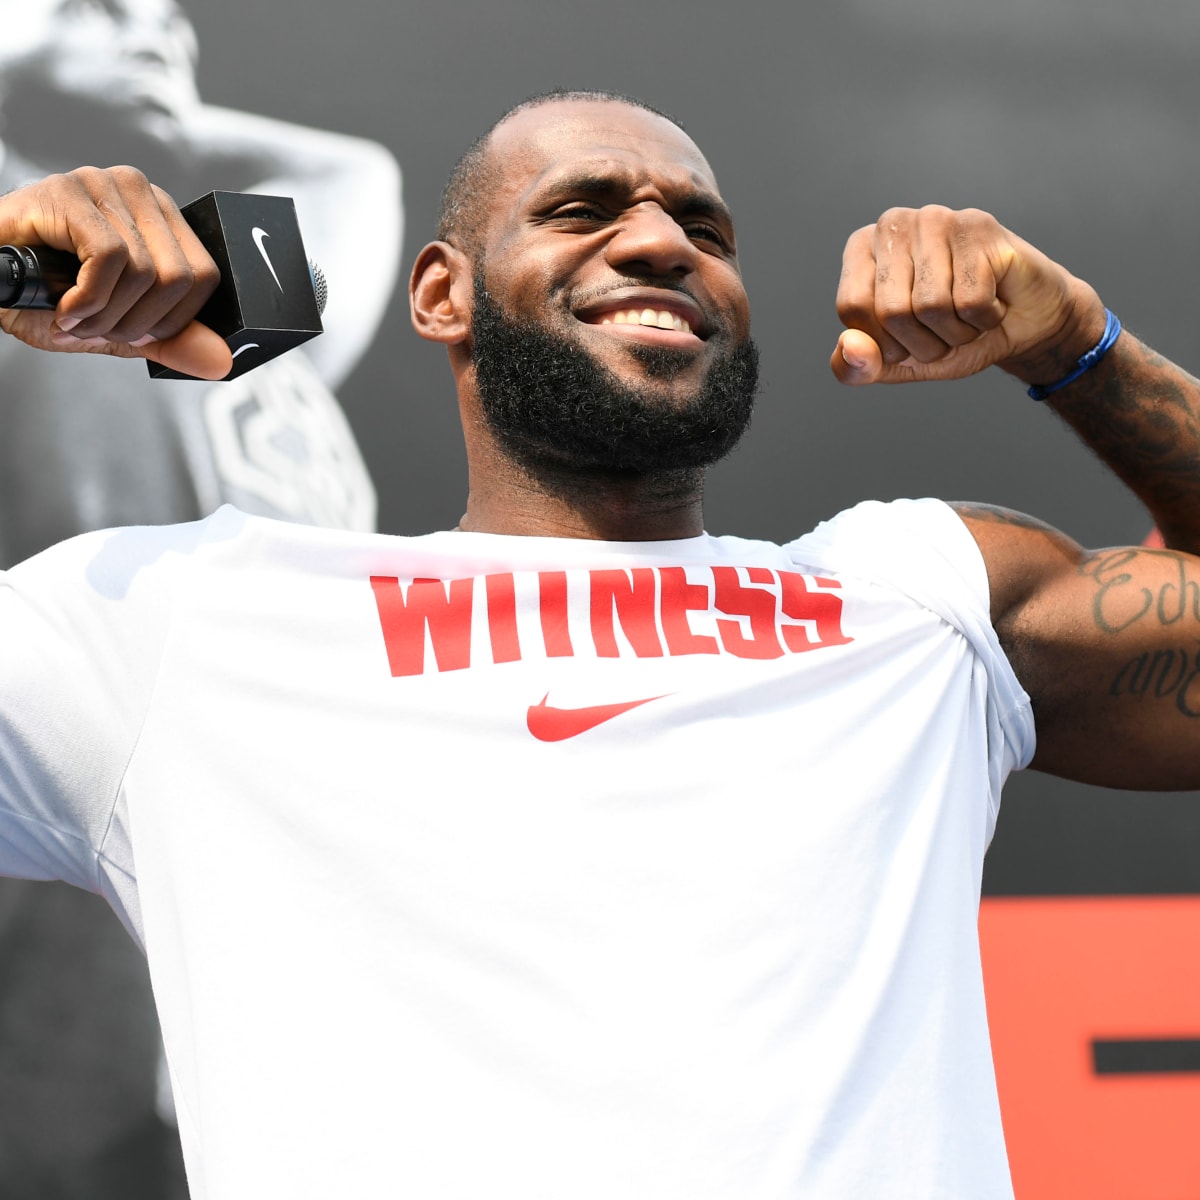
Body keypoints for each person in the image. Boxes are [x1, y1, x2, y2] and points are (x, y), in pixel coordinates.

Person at [0, 90, 1198, 1198]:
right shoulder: (183, 618)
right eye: (580, 211)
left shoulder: (918, 601)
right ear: (439, 293)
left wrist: (1079, 347)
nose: (663, 243)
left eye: (704, 229)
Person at [0, 2, 401, 1195]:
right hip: (60, 977)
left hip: (259, 972)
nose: (151, 24)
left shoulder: (225, 290)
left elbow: (351, 171)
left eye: (165, 13)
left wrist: (112, 92)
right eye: (93, 2)